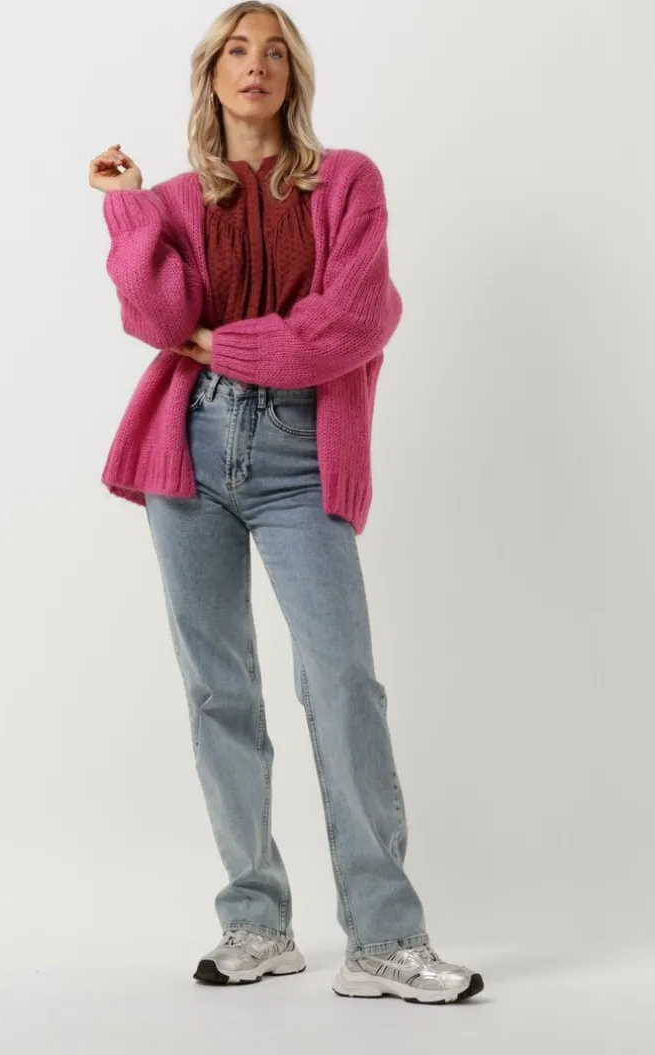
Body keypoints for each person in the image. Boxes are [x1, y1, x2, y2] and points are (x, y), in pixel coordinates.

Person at [88, 1, 483, 1004]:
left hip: (304, 454)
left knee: (342, 680)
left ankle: (383, 938)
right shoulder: (176, 201)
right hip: (190, 450)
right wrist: (129, 208)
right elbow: (160, 317)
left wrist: (227, 344)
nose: (254, 64)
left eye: (274, 51)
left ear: (294, 75)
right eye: (236, 49)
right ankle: (256, 921)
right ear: (212, 74)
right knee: (217, 690)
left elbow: (352, 322)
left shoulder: (348, 182)